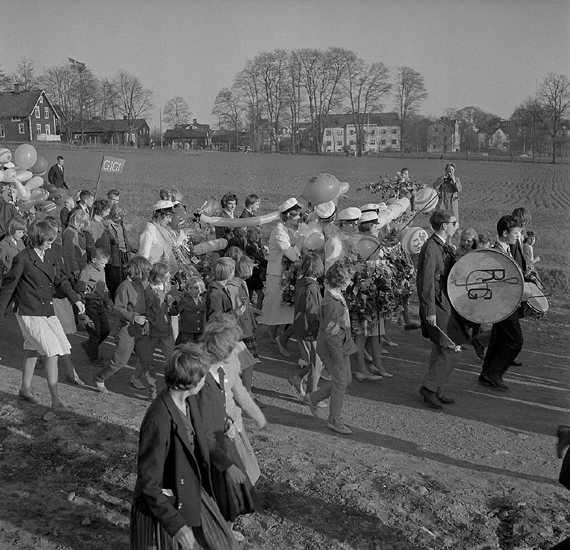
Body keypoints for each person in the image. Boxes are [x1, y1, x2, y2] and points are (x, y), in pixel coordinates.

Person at [130, 344, 240, 550]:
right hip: (166, 506)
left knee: (224, 544)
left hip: (190, 493)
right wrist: (176, 525)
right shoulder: (159, 419)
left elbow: (202, 443)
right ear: (190, 382)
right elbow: (149, 482)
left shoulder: (188, 403)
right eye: (203, 376)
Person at [0, 220, 85, 410]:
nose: (49, 243)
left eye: (51, 240)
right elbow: (8, 287)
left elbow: (60, 279)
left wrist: (75, 299)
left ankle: (24, 389)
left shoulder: (52, 254)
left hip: (47, 310)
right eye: (46, 241)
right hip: (29, 311)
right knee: (52, 352)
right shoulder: (22, 258)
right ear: (36, 239)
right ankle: (55, 400)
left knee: (32, 350)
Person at [196, 315, 258, 524]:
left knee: (231, 493)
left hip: (221, 435)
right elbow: (202, 427)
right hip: (211, 450)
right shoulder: (203, 380)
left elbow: (216, 409)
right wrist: (226, 465)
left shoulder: (216, 370)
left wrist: (227, 421)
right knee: (221, 495)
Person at [416, 210, 469, 410]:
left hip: (445, 303)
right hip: (438, 305)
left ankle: (436, 390)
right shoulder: (431, 247)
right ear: (444, 225)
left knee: (440, 348)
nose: (456, 225)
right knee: (452, 350)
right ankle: (429, 388)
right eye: (454, 222)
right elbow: (425, 281)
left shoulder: (443, 246)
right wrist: (428, 309)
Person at [302, 261, 357, 435]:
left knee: (345, 380)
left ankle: (313, 397)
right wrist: (338, 357)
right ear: (342, 281)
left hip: (340, 347)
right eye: (349, 279)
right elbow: (332, 334)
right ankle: (334, 419)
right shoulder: (332, 303)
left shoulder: (333, 296)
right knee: (341, 382)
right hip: (335, 350)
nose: (350, 282)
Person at [479, 215, 525, 391]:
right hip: (502, 304)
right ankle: (494, 373)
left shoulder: (506, 249)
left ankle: (486, 374)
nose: (518, 236)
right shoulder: (497, 253)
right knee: (515, 340)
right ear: (505, 233)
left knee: (498, 338)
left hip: (506, 302)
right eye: (516, 232)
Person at [93, 256, 152, 394]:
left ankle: (148, 387)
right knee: (119, 362)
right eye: (147, 272)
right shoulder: (124, 286)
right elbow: (118, 308)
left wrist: (146, 320)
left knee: (147, 358)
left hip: (140, 329)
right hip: (126, 329)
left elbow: (143, 306)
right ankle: (99, 378)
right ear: (138, 271)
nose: (148, 275)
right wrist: (133, 317)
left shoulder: (140, 285)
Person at [256, 198, 302, 356]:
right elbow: (293, 255)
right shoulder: (279, 233)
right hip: (276, 279)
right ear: (289, 216)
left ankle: (279, 339)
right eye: (297, 217)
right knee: (269, 316)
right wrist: (303, 240)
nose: (299, 220)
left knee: (284, 314)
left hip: (285, 278)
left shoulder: (288, 230)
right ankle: (249, 348)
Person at [289, 252, 325, 399]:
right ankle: (311, 396)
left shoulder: (301, 282)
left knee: (314, 362)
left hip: (301, 326)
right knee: (317, 364)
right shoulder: (312, 287)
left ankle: (298, 379)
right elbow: (312, 311)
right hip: (309, 328)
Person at [77, 247, 112, 367]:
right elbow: (80, 289)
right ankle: (93, 357)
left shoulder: (101, 269)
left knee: (106, 330)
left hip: (100, 303)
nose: (104, 266)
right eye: (102, 263)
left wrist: (107, 302)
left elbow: (104, 286)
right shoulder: (86, 271)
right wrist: (81, 308)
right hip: (90, 303)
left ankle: (89, 345)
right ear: (94, 260)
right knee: (95, 332)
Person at [139, 200, 181, 276]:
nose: (170, 220)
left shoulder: (164, 230)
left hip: (163, 274)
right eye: (168, 217)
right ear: (159, 215)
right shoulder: (149, 233)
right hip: (154, 276)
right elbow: (143, 257)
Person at [106, 204, 132, 300]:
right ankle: (117, 298)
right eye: (121, 216)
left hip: (125, 253)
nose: (122, 218)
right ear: (116, 215)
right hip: (116, 254)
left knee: (127, 275)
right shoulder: (108, 224)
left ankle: (126, 297)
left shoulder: (121, 223)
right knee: (117, 277)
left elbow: (124, 238)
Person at [244, 227, 267, 309]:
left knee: (249, 296)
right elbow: (257, 258)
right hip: (252, 274)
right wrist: (268, 263)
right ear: (249, 235)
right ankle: (258, 313)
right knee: (260, 295)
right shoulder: (250, 247)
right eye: (255, 234)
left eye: (258, 233)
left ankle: (250, 312)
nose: (257, 235)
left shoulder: (255, 245)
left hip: (254, 274)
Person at [0, 216, 26, 283]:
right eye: (20, 232)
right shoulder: (3, 245)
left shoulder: (20, 241)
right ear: (11, 230)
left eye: (23, 232)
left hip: (21, 277)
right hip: (9, 279)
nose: (22, 234)